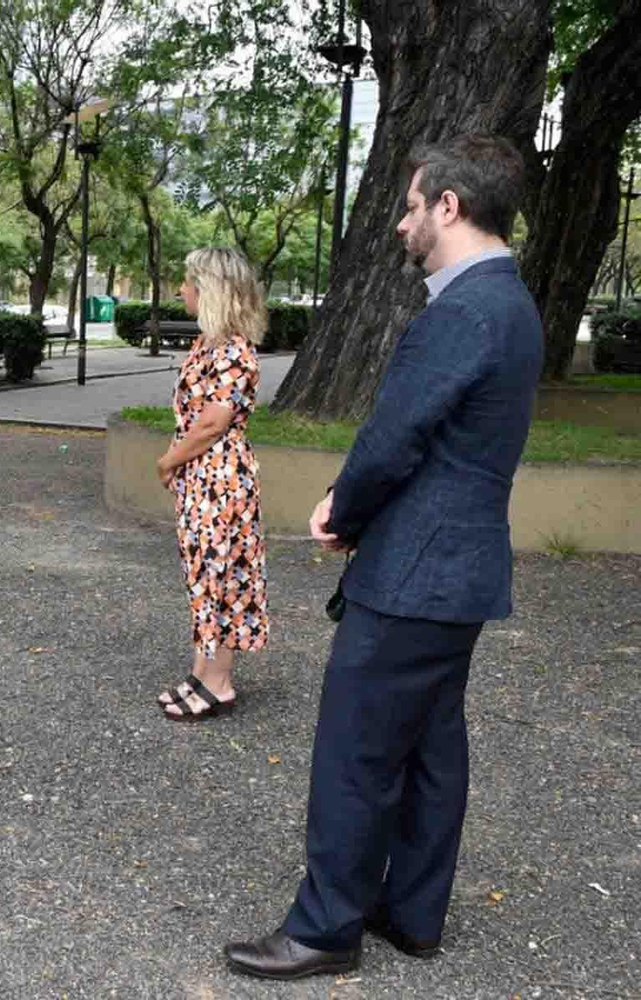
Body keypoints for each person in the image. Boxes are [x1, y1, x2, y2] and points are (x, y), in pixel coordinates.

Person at [224, 134, 543, 980]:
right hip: (460, 575)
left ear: (449, 205)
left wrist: (342, 507)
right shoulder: (513, 304)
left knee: (357, 751)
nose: (401, 222)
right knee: (433, 746)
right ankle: (413, 916)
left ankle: (327, 928)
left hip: (414, 575)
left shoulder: (463, 310)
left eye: (410, 205)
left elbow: (395, 436)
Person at [152, 247, 270, 721]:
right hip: (203, 475)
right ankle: (202, 670)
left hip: (219, 477)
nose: (181, 289)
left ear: (211, 289)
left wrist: (167, 461)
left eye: (188, 282)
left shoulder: (235, 350)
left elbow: (211, 424)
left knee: (220, 576)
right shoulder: (208, 344)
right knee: (203, 574)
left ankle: (218, 682)